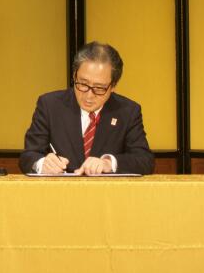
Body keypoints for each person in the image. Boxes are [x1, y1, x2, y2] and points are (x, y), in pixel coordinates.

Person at [20, 42, 154, 176]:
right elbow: (28, 156)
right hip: (60, 188)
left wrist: (108, 163)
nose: (89, 95)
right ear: (74, 76)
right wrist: (41, 164)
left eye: (99, 88)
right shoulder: (50, 105)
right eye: (83, 84)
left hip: (107, 189)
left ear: (113, 86)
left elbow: (145, 160)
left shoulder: (127, 111)